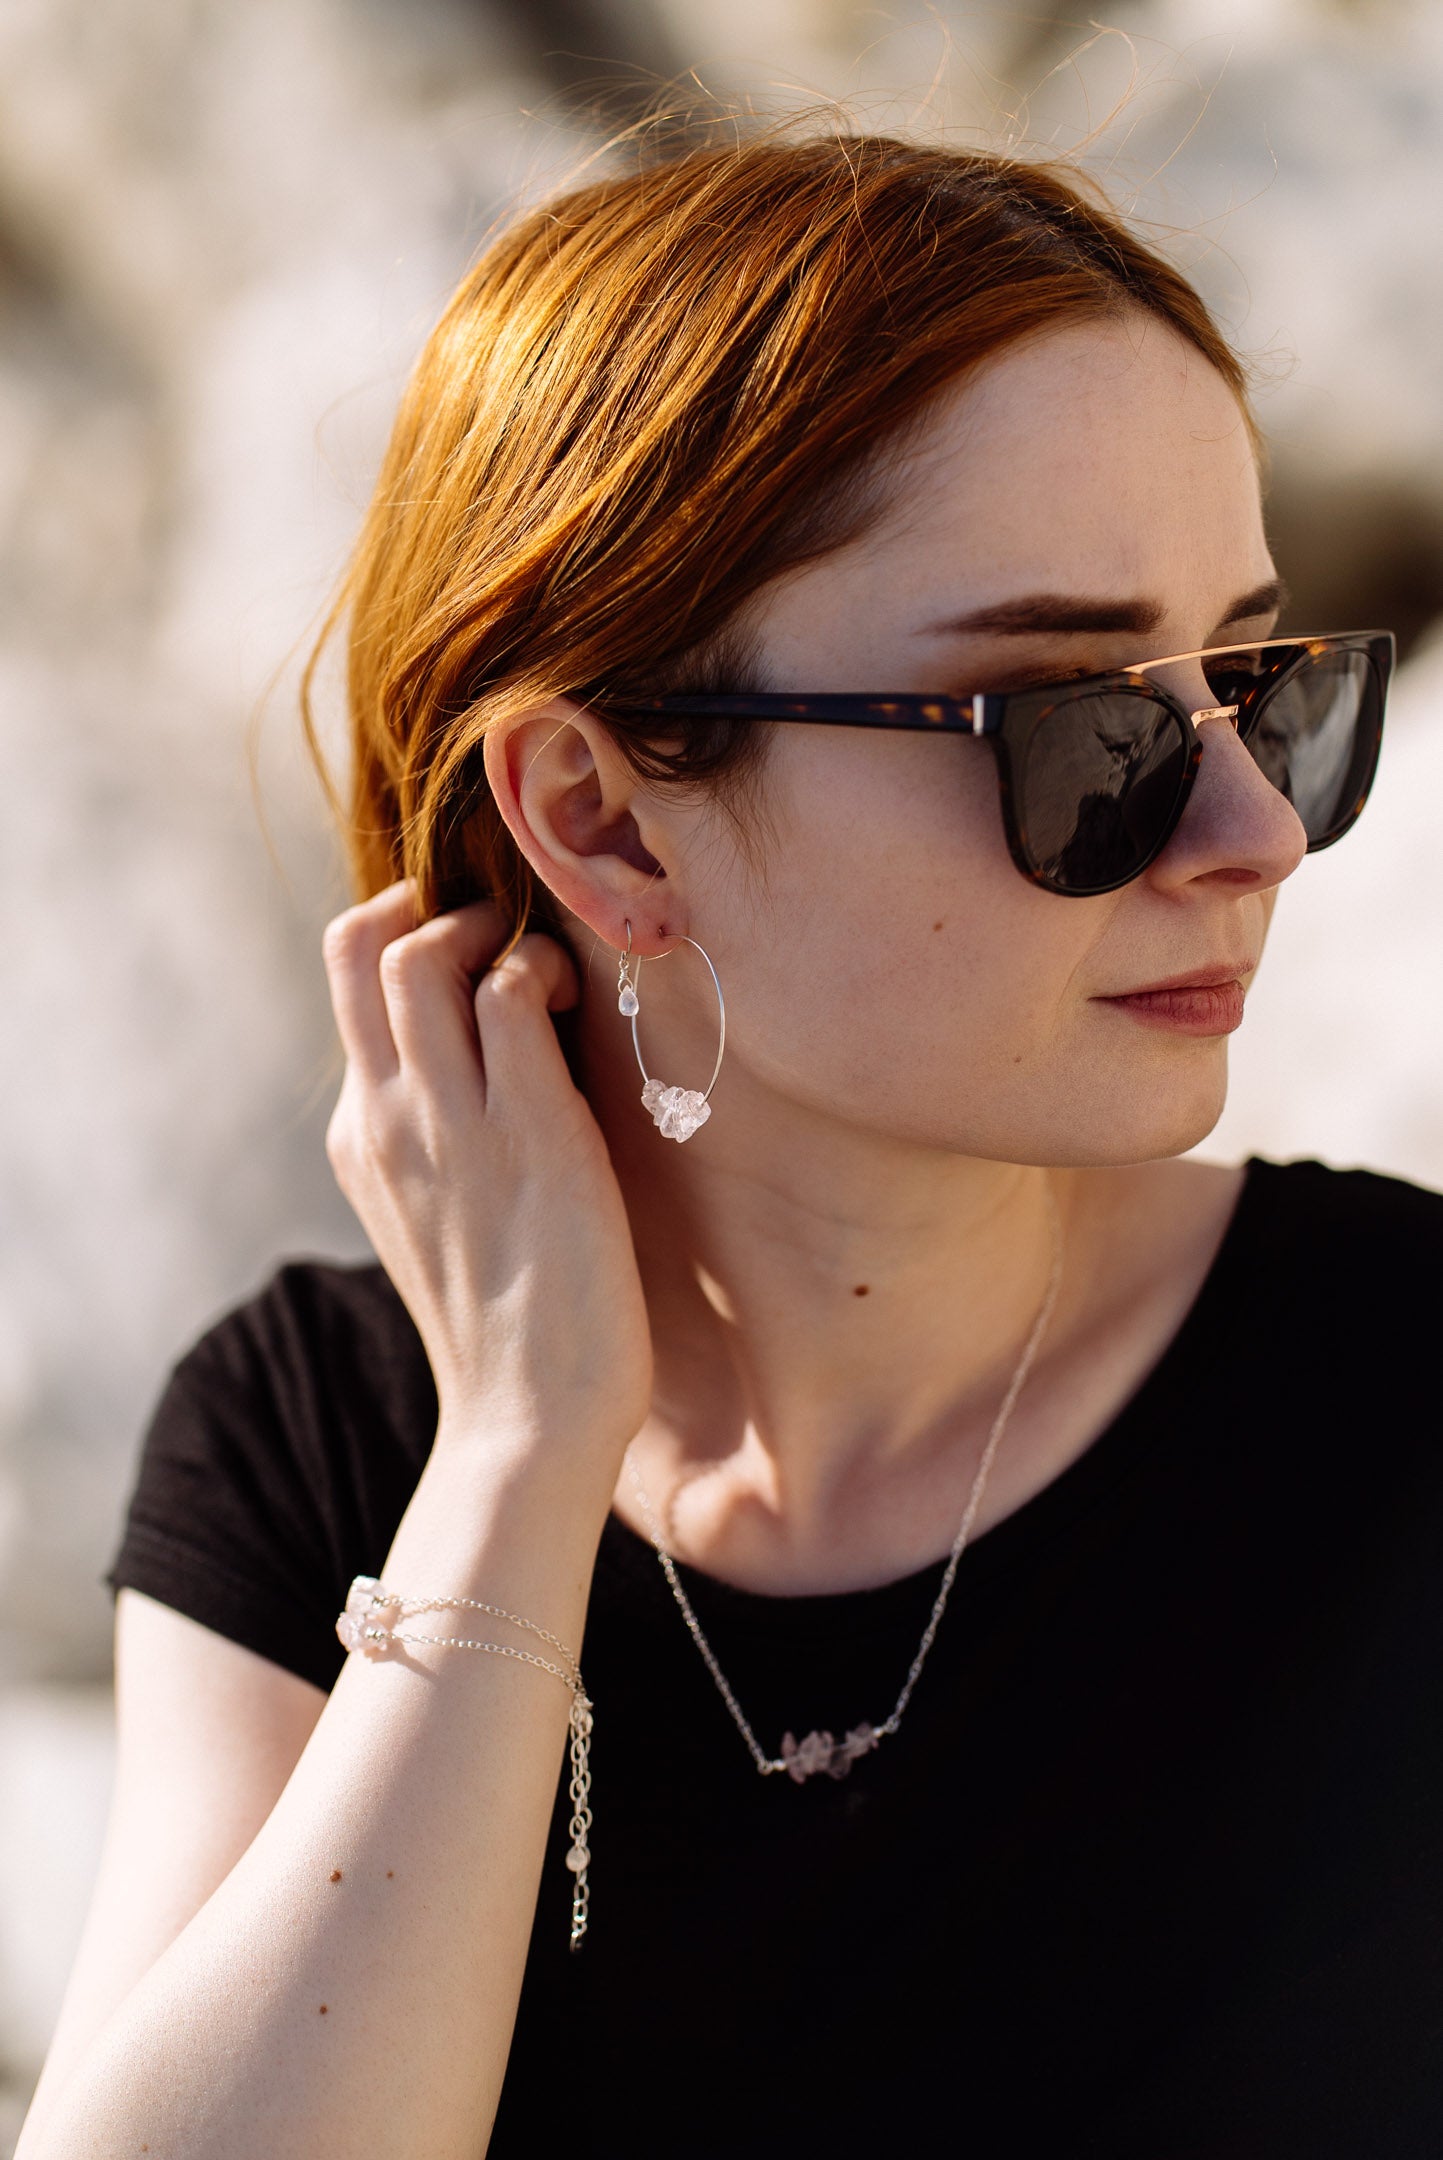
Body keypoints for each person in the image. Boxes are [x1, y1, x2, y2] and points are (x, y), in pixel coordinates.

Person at [17, 127, 1440, 2160]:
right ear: (596, 818)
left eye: (1249, 685)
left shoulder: (1392, 1391)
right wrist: (521, 1450)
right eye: (1079, 724)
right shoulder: (320, 1443)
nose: (1255, 834)